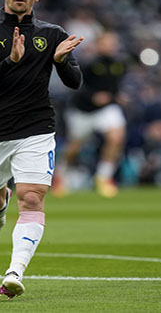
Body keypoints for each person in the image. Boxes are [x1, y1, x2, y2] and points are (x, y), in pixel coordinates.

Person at [0, 0, 83, 299]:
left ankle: (15, 272)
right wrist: (10, 62)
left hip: (36, 127)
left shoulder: (52, 33)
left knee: (33, 197)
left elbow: (75, 82)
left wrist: (61, 62)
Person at [53, 31, 127, 198]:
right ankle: (60, 174)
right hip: (82, 110)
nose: (111, 46)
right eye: (107, 43)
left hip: (106, 109)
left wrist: (117, 96)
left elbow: (115, 86)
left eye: (113, 43)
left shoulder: (119, 64)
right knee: (74, 147)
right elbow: (74, 86)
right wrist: (92, 96)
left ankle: (103, 177)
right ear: (98, 45)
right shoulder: (87, 64)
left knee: (116, 137)